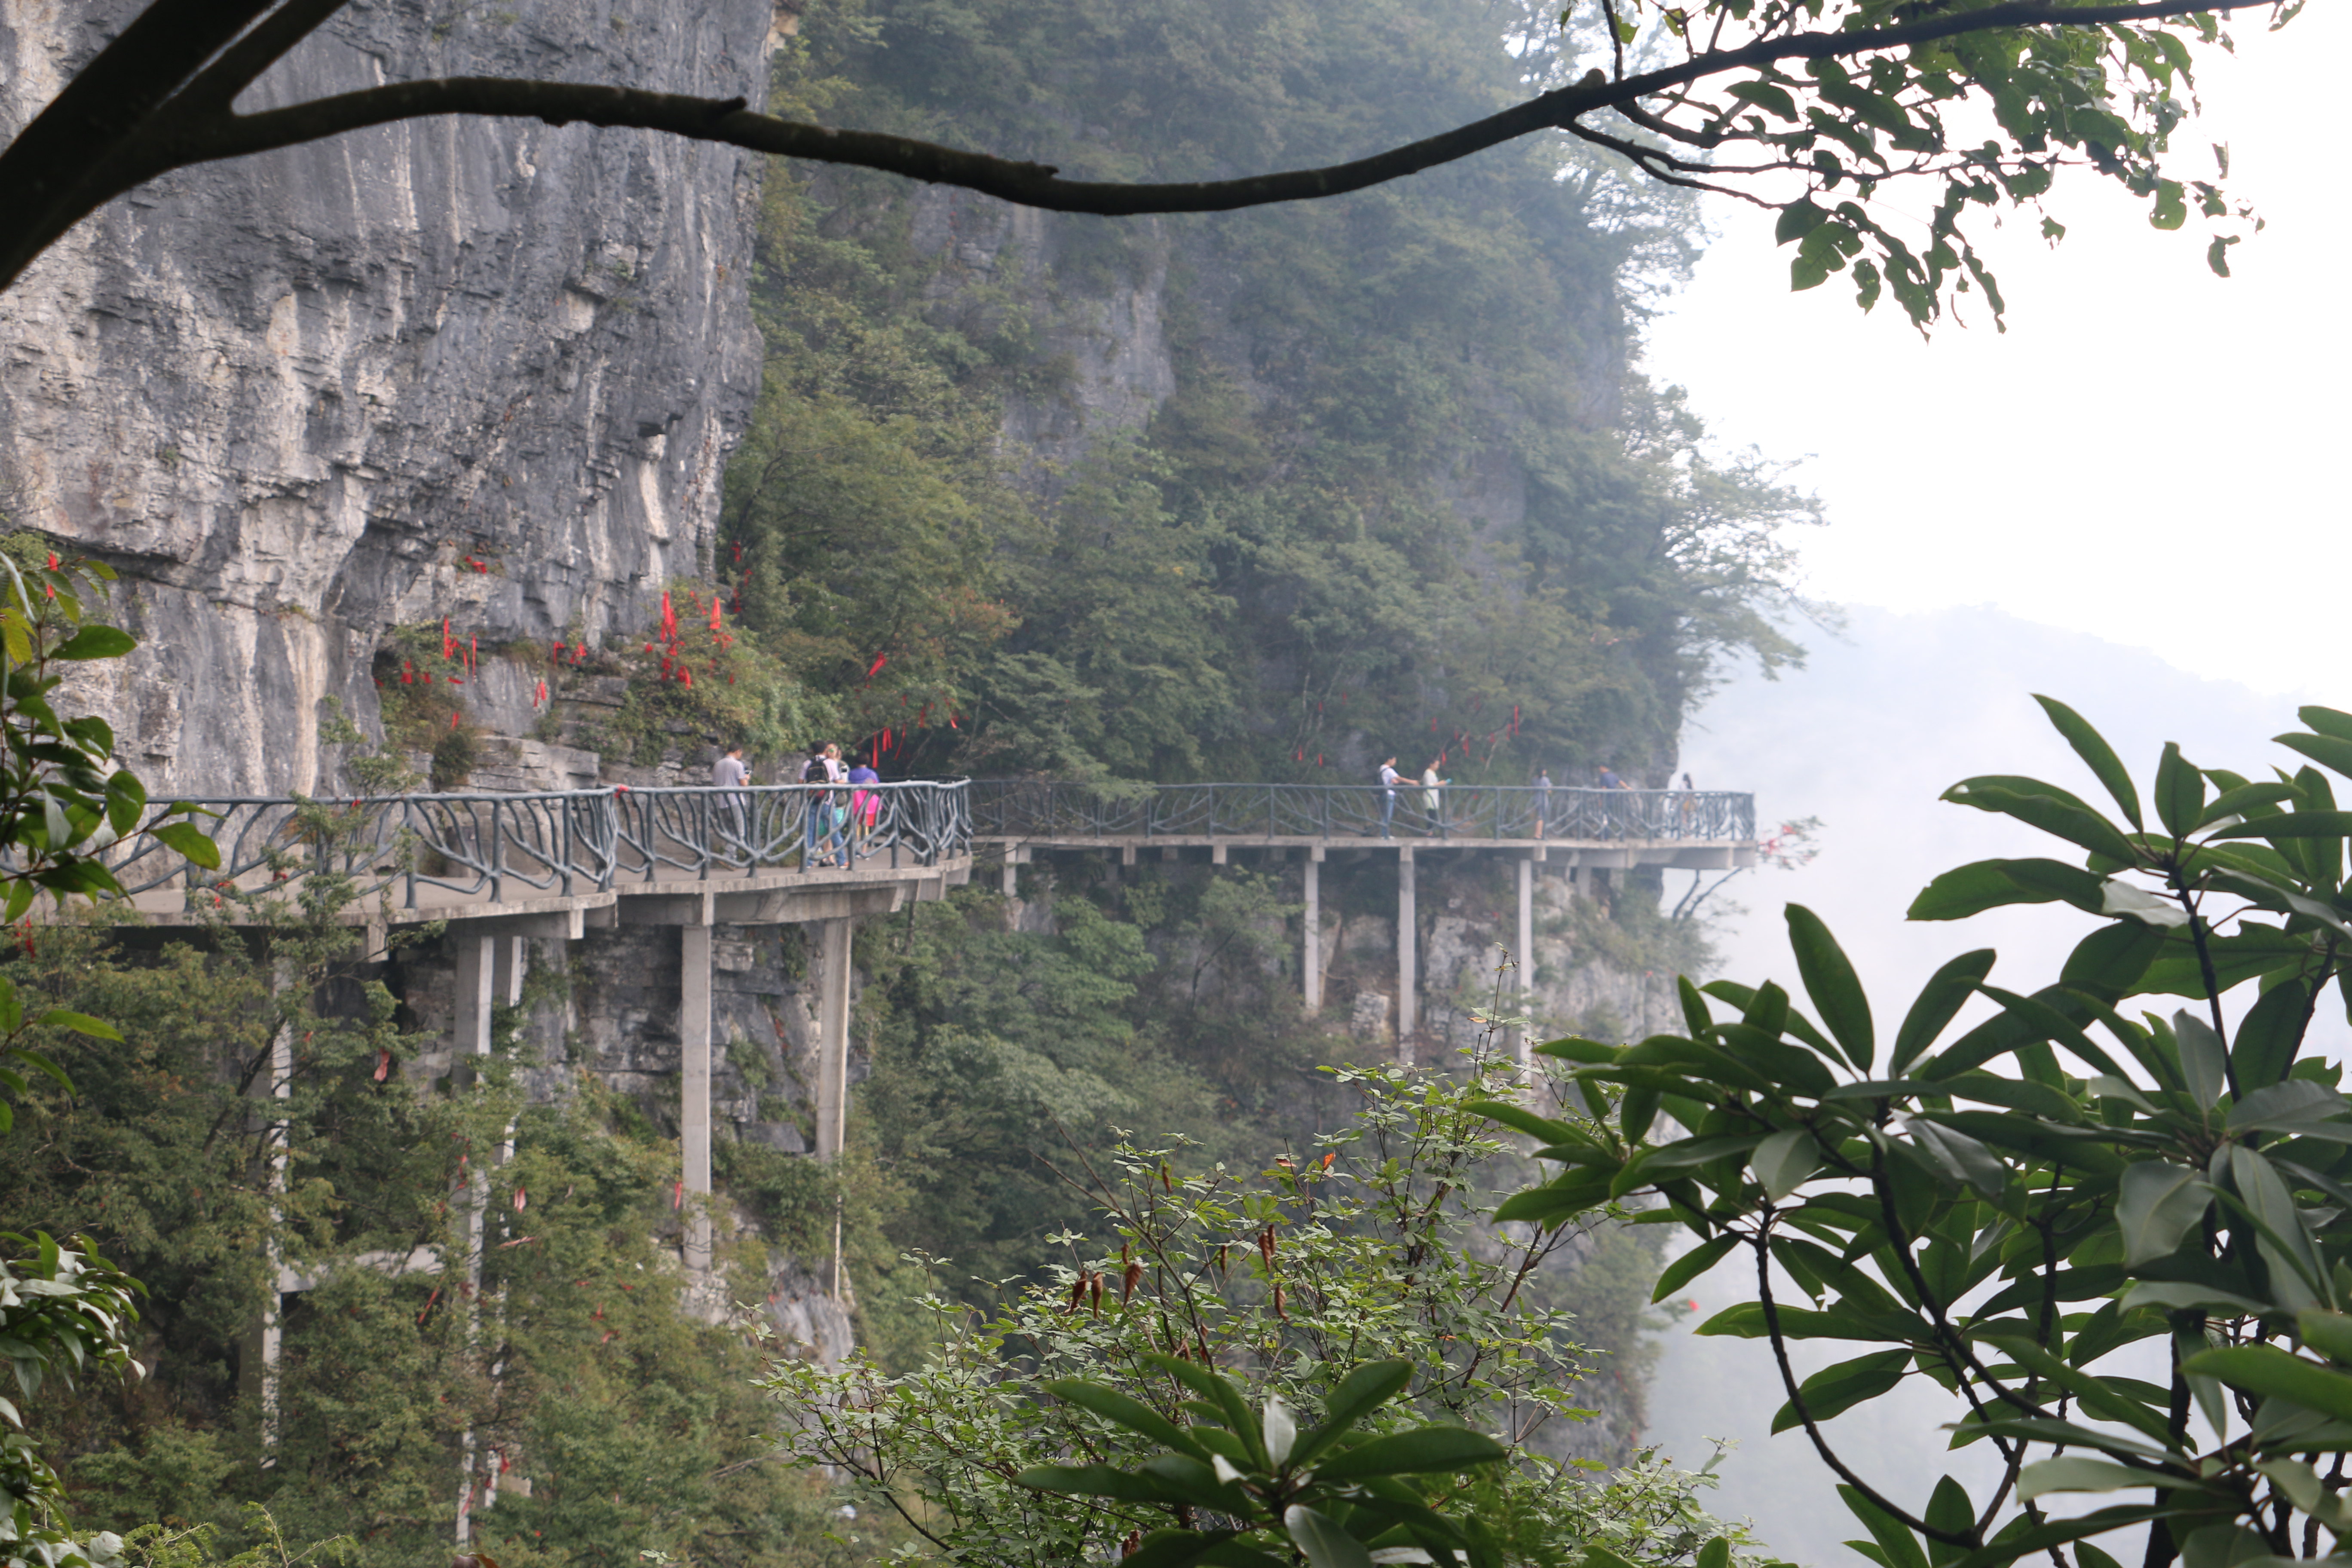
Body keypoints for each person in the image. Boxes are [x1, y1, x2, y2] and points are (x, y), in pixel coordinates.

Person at [711, 742, 750, 850]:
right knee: (739, 832)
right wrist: (747, 778)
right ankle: (729, 857)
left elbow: (715, 781)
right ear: (738, 752)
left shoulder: (717, 764)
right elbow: (743, 784)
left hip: (722, 802)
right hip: (735, 801)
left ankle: (732, 859)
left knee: (729, 832)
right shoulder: (738, 764)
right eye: (741, 753)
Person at [848, 755, 881, 854]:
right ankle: (864, 851)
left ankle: (856, 850)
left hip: (855, 804)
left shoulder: (852, 774)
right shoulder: (872, 774)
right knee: (866, 828)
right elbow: (877, 786)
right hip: (869, 804)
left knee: (856, 827)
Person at [1421, 759, 1449, 837]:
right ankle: (1429, 832)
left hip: (1434, 796)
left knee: (1433, 815)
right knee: (1432, 815)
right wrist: (1440, 784)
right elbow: (1429, 785)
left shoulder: (1432, 773)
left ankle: (1431, 832)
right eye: (1436, 764)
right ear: (1431, 764)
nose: (1437, 767)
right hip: (1430, 796)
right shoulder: (1428, 773)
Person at [1377, 756, 1403, 838]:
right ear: (1389, 760)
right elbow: (1399, 778)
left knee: (1386, 814)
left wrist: (1394, 782)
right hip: (1389, 794)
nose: (1395, 762)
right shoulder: (1389, 770)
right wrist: (1412, 782)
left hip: (1384, 794)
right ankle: (1385, 835)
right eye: (1394, 760)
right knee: (1388, 815)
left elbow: (1391, 780)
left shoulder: (1381, 769)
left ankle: (1385, 834)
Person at [1533, 766, 1552, 840]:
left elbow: (1533, 790)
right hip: (1543, 800)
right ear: (1544, 772)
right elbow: (1549, 791)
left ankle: (1539, 834)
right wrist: (1550, 787)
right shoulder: (1546, 780)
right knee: (1541, 818)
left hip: (1536, 799)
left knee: (1537, 817)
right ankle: (1538, 834)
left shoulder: (1534, 779)